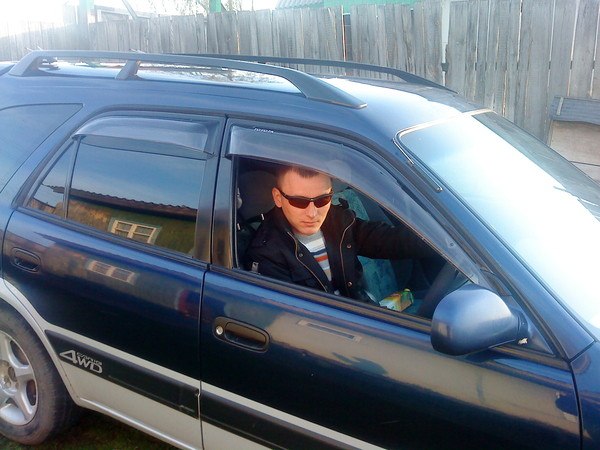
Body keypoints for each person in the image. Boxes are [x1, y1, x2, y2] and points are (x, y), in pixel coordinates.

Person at [245, 165, 434, 303]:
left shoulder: (338, 221)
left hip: (360, 311)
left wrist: (442, 243)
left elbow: (390, 240)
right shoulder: (265, 253)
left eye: (322, 199)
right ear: (278, 198)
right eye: (299, 201)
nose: (312, 213)